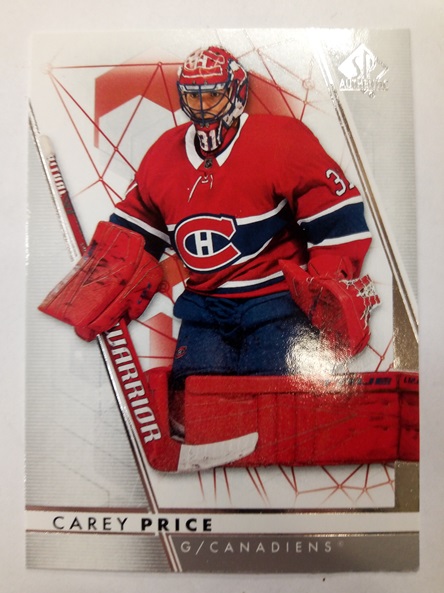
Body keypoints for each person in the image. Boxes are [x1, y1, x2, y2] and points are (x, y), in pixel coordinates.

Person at [40, 45, 379, 402]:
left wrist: (328, 280)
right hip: (204, 309)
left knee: (271, 403)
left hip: (275, 305)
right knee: (194, 403)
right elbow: (133, 235)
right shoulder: (162, 155)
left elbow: (337, 216)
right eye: (193, 97)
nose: (202, 107)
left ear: (236, 92)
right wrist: (101, 283)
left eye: (213, 96)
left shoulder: (282, 141)